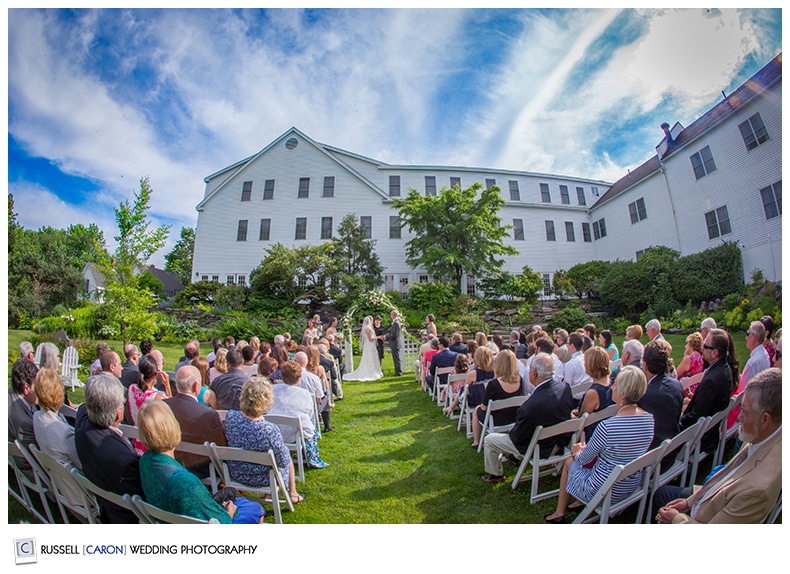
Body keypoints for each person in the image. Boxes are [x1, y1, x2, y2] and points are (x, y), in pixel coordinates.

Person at [654, 368, 781, 524]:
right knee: (662, 494)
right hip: (711, 495)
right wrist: (690, 501)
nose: (739, 417)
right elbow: (727, 473)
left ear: (765, 420)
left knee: (662, 501)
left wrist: (676, 518)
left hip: (703, 516)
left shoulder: (758, 489)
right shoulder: (764, 434)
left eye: (745, 412)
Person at [544, 366, 655, 523]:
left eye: (615, 385)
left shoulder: (608, 427)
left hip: (605, 489)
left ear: (623, 395)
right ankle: (578, 502)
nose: (612, 387)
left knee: (570, 462)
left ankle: (559, 513)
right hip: (630, 484)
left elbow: (583, 460)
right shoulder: (649, 420)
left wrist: (577, 451)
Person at [481, 353, 574, 484]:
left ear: (534, 373)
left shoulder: (530, 407)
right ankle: (514, 457)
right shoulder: (565, 388)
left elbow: (517, 438)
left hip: (539, 448)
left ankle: (495, 475)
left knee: (490, 440)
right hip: (559, 442)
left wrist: (512, 431)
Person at [137, 401, 232, 523]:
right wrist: (230, 513)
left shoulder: (145, 461)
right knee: (253, 510)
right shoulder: (185, 482)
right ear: (173, 425)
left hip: (165, 521)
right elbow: (221, 522)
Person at [74, 372, 144, 523]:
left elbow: (83, 407)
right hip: (124, 519)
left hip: (103, 499)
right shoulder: (125, 462)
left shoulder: (81, 424)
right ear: (119, 414)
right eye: (123, 402)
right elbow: (144, 498)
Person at [223, 377, 304, 505]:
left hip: (237, 472)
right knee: (286, 455)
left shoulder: (230, 417)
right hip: (264, 478)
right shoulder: (269, 430)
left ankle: (271, 494)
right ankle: (293, 493)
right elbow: (283, 462)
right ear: (266, 401)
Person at [680, 328, 737, 453]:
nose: (702, 348)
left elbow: (694, 418)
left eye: (705, 346)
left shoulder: (712, 380)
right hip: (709, 430)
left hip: (701, 438)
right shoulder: (725, 368)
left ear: (715, 353)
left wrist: (677, 422)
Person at [32, 368, 83, 505]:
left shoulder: (37, 417)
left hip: (60, 484)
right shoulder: (64, 433)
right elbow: (82, 463)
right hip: (77, 492)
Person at [165, 365, 226, 478]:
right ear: (196, 386)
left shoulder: (163, 406)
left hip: (171, 464)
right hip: (201, 471)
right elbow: (221, 449)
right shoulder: (208, 415)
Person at [269, 361, 329, 469]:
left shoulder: (272, 389)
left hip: (274, 433)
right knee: (310, 429)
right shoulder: (304, 394)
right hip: (293, 435)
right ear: (298, 379)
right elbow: (310, 413)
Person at [470, 350, 526, 449]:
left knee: (477, 410)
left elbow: (484, 407)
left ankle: (476, 441)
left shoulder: (494, 384)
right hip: (514, 418)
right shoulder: (520, 380)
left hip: (496, 420)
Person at [638, 340, 683, 450]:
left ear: (645, 365)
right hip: (671, 446)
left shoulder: (645, 396)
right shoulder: (677, 385)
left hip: (654, 456)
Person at [573, 347, 614, 439]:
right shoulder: (611, 382)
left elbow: (581, 420)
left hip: (594, 436)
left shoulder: (593, 393)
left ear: (591, 365)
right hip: (607, 429)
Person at [9, 358, 40, 479]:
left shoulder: (10, 393)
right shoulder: (25, 423)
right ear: (26, 388)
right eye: (36, 385)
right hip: (31, 472)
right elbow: (35, 459)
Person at [443, 345, 495, 416]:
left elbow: (464, 390)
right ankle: (451, 407)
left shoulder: (473, 374)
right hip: (490, 399)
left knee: (463, 389)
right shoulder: (494, 372)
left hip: (475, 401)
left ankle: (451, 407)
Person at [343, 316, 384, 381]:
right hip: (369, 345)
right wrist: (378, 337)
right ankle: (370, 371)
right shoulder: (369, 328)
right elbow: (370, 339)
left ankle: (371, 369)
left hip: (368, 345)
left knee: (368, 357)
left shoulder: (366, 328)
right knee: (369, 357)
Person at [384, 309, 405, 377]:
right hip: (395, 343)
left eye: (391, 315)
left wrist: (386, 337)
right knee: (396, 358)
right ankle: (397, 371)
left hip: (395, 343)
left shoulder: (396, 323)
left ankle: (398, 372)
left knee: (396, 358)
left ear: (394, 315)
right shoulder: (396, 322)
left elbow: (394, 335)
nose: (390, 316)